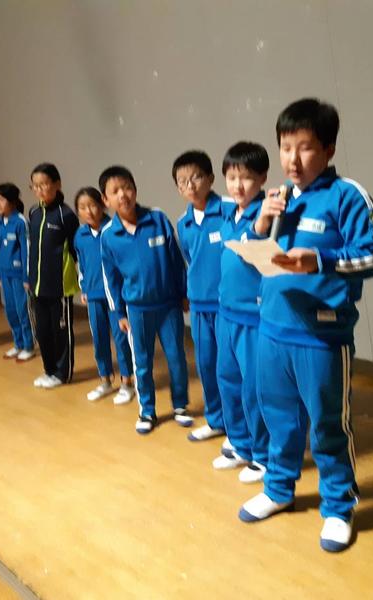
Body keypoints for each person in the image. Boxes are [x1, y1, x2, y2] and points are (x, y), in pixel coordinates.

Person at [239, 98, 373, 554]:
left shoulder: (348, 196)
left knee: (327, 425)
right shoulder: (281, 197)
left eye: (304, 148)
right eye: (286, 148)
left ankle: (339, 507)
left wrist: (320, 260)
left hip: (322, 336)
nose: (293, 160)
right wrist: (262, 222)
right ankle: (279, 489)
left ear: (328, 149)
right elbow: (256, 254)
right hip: (273, 328)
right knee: (278, 418)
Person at [99, 165, 192, 435]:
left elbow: (176, 260)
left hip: (169, 306)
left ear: (135, 189)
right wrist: (119, 313)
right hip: (137, 311)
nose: (123, 195)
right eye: (115, 191)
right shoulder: (109, 235)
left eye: (127, 188)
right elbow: (110, 279)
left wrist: (183, 293)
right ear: (106, 199)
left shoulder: (157, 218)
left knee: (177, 358)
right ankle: (147, 411)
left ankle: (180, 405)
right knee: (142, 363)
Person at [213, 142, 271, 484]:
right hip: (226, 313)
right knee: (228, 379)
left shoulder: (267, 215)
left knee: (254, 388)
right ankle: (240, 443)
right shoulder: (228, 213)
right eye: (232, 177)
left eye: (246, 178)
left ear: (262, 178)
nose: (238, 185)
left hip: (253, 317)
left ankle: (263, 455)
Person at [173, 150, 234, 442]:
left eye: (196, 177)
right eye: (183, 181)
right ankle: (216, 420)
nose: (191, 185)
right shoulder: (182, 223)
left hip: (228, 305)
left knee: (230, 368)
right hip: (199, 305)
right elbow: (190, 260)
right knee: (206, 365)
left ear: (210, 178)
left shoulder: (229, 210)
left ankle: (238, 429)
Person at [72, 186, 135, 405]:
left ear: (102, 205)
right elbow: (81, 264)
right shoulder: (80, 235)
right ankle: (105, 380)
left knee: (121, 340)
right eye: (82, 207)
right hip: (93, 295)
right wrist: (84, 288)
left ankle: (127, 383)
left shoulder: (113, 229)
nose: (88, 211)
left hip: (115, 297)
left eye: (92, 205)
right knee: (99, 339)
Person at [26, 163, 79, 389]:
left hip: (59, 286)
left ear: (57, 184)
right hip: (37, 286)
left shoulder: (66, 215)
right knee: (43, 331)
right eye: (35, 186)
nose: (40, 189)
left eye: (44, 184)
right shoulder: (34, 212)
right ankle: (49, 370)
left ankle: (62, 373)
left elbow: (76, 251)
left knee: (61, 332)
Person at [0, 183, 35, 361]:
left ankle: (29, 345)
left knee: (22, 310)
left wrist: (27, 276)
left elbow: (27, 250)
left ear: (12, 201)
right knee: (10, 310)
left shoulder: (21, 222)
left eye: (2, 200)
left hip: (19, 276)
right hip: (5, 274)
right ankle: (18, 344)